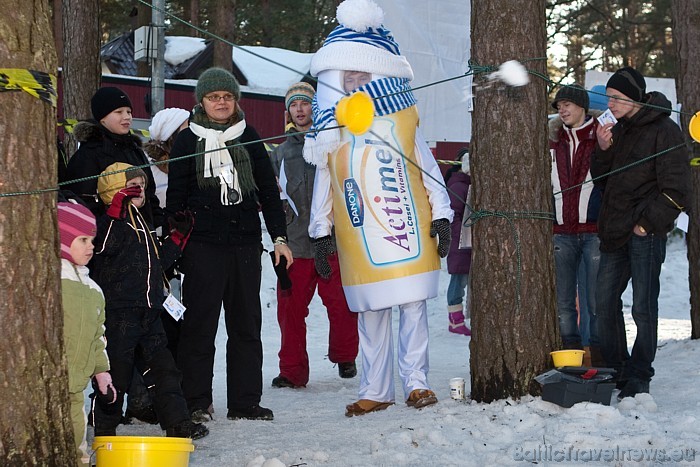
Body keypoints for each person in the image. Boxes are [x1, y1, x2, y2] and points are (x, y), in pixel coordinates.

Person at [303, 0, 453, 417]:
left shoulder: (402, 118)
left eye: (361, 73)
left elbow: (426, 167)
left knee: (412, 307)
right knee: (372, 312)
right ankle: (376, 388)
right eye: (347, 75)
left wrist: (441, 212)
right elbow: (324, 183)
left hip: (405, 226)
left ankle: (417, 383)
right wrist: (320, 231)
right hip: (360, 233)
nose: (354, 81)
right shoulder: (328, 130)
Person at [166, 67, 293, 422]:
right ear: (201, 101)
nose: (221, 102)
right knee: (199, 328)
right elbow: (175, 199)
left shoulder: (248, 135)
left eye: (227, 96)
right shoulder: (187, 141)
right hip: (202, 247)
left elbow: (268, 191)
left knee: (246, 326)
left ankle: (244, 402)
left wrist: (279, 237)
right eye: (214, 97)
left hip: (245, 244)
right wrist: (175, 244)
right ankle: (195, 400)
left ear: (235, 100)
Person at [591, 66, 690, 399]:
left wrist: (646, 224)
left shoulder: (665, 130)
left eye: (617, 98)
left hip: (645, 234)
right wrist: (602, 151)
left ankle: (639, 374)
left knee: (643, 308)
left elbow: (677, 189)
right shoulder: (616, 130)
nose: (611, 104)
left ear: (634, 97)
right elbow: (602, 182)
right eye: (608, 98)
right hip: (613, 232)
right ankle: (618, 368)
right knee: (604, 303)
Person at [90, 162, 208, 439]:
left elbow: (157, 264)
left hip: (150, 312)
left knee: (164, 370)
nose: (139, 188)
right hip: (119, 313)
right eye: (131, 184)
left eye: (141, 184)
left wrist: (176, 240)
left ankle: (177, 422)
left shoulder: (142, 224)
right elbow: (103, 247)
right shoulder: (107, 223)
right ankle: (103, 427)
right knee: (116, 374)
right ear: (114, 190)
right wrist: (115, 213)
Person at [270, 82, 359, 389]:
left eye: (305, 104)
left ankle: (346, 356)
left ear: (314, 108)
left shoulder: (332, 144)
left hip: (331, 243)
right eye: (294, 105)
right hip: (293, 247)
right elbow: (268, 197)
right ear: (288, 112)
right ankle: (292, 371)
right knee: (290, 312)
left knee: (341, 304)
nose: (300, 109)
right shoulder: (279, 153)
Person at [548, 83, 603, 366]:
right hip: (561, 232)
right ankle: (570, 357)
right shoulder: (553, 141)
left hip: (593, 231)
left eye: (567, 104)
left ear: (582, 106)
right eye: (559, 106)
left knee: (594, 301)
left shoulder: (602, 136)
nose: (562, 110)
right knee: (564, 303)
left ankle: (595, 356)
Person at [58, 201, 116, 466]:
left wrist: (101, 372)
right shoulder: (52, 280)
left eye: (92, 240)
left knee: (78, 434)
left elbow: (98, 335)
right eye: (82, 239)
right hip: (52, 380)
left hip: (77, 384)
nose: (91, 246)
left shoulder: (94, 289)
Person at [62, 86, 162, 228]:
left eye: (129, 111)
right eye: (119, 112)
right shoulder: (88, 154)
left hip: (143, 234)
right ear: (102, 118)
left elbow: (150, 193)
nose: (127, 117)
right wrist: (105, 232)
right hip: (109, 238)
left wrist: (158, 223)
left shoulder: (135, 151)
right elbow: (82, 201)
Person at [144, 107, 191, 360]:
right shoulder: (151, 169)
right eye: (185, 127)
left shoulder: (193, 159)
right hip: (163, 252)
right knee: (165, 320)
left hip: (188, 248)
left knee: (183, 320)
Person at [445, 149, 472, 336]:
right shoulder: (459, 186)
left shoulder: (466, 184)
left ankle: (460, 318)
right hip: (461, 241)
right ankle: (455, 320)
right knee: (458, 280)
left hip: (466, 241)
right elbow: (454, 214)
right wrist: (458, 236)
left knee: (464, 279)